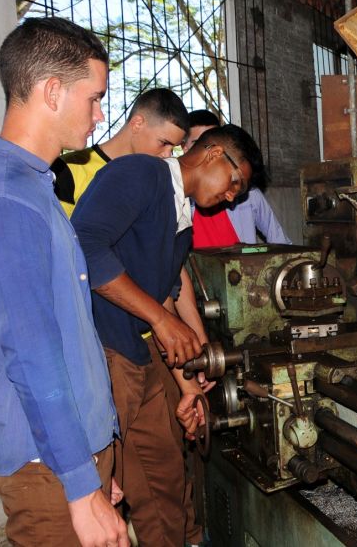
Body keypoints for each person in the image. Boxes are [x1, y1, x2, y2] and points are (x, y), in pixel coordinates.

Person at [0, 17, 129, 546]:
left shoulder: (36, 187)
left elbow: (69, 336)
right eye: (95, 97)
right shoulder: (6, 197)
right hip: (49, 468)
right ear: (53, 91)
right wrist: (81, 483)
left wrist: (98, 467)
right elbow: (32, 353)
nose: (99, 115)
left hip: (71, 457)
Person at [72, 124, 263, 546]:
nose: (233, 196)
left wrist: (187, 385)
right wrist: (159, 319)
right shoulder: (142, 173)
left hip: (137, 360)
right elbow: (83, 245)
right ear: (213, 155)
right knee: (95, 491)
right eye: (235, 182)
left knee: (165, 482)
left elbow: (165, 299)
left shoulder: (183, 220)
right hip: (103, 355)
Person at [51, 88, 206, 546]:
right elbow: (73, 259)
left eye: (176, 149)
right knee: (100, 480)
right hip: (96, 346)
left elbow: (170, 274)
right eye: (164, 144)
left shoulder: (162, 186)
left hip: (141, 342)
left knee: (164, 474)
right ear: (137, 122)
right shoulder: (74, 172)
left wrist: (190, 354)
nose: (169, 156)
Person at [52, 87, 189, 217]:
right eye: (164, 143)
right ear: (137, 124)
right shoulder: (67, 169)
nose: (167, 154)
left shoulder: (158, 181)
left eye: (173, 148)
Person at [185, 109, 290, 247]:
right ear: (185, 148)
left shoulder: (249, 196)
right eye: (198, 144)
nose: (209, 155)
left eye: (215, 143)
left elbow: (281, 243)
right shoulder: (177, 200)